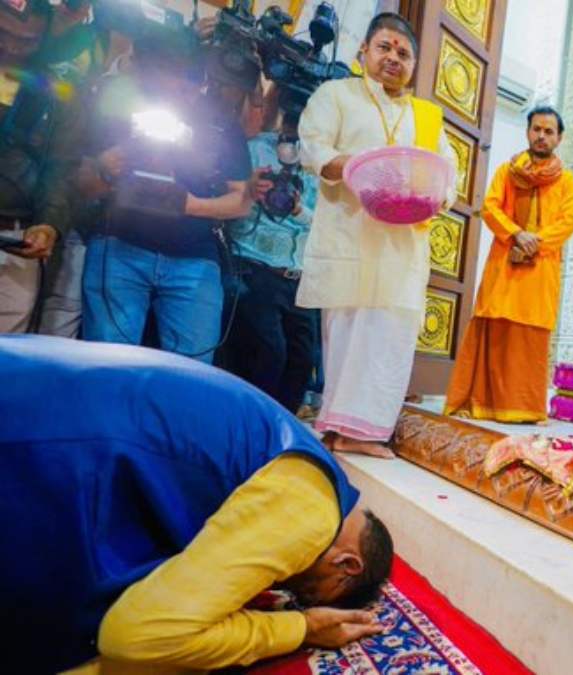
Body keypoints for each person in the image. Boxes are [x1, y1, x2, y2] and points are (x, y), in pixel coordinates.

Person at [0, 335, 393, 673]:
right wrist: (303, 627)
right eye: (308, 593)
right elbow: (136, 635)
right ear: (346, 564)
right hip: (29, 437)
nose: (285, 590)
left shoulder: (308, 462)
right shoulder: (310, 510)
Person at [298, 12, 458, 457]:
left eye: (404, 53)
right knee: (349, 330)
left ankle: (364, 432)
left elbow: (449, 174)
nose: (394, 57)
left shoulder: (426, 116)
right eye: (384, 47)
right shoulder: (337, 95)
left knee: (391, 333)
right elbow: (313, 146)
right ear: (362, 52)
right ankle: (339, 427)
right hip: (352, 234)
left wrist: (438, 195)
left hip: (403, 246)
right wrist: (356, 169)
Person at [77, 34, 252, 362]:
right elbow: (83, 184)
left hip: (194, 257)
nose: (178, 84)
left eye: (188, 75)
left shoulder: (219, 124)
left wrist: (192, 205)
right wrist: (107, 167)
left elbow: (242, 200)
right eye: (168, 72)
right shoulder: (119, 106)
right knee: (105, 363)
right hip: (120, 245)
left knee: (191, 374)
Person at [443, 106, 573, 423]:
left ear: (559, 138)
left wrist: (535, 242)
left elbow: (568, 222)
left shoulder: (567, 181)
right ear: (528, 131)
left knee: (528, 337)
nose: (541, 136)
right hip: (504, 263)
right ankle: (482, 402)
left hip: (540, 269)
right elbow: (490, 208)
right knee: (496, 327)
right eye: (536, 129)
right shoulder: (507, 171)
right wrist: (517, 234)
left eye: (549, 131)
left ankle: (523, 409)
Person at [0, 0, 100, 333]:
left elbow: (62, 168)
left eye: (26, 40)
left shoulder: (60, 91)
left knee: (9, 364)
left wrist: (49, 224)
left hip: (18, 240)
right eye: (3, 34)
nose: (12, 47)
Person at [225, 83, 320, 413]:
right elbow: (227, 203)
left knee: (301, 361)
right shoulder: (255, 150)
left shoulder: (324, 165)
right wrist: (250, 189)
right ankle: (250, 431)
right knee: (268, 353)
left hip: (300, 277)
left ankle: (283, 438)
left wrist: (299, 210)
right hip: (255, 267)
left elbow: (330, 225)